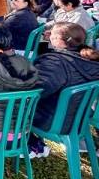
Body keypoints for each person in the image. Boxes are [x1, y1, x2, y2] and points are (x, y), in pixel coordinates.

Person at [29, 22, 99, 157]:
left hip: (54, 121)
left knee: (14, 106)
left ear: (59, 40)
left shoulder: (55, 63)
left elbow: (35, 91)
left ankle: (28, 144)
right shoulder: (91, 60)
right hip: (80, 118)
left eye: (52, 34)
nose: (49, 36)